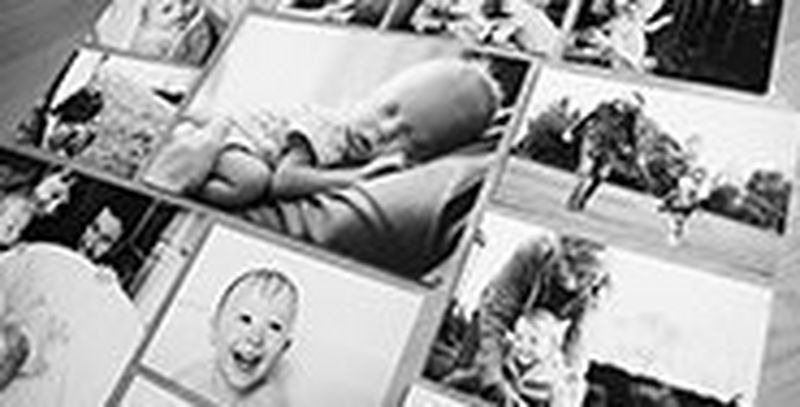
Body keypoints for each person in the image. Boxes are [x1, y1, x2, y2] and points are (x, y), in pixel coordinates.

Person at [163, 58, 501, 209]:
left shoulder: (358, 149)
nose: (382, 133)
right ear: (374, 92)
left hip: (242, 138)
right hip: (244, 138)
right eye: (388, 110)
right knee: (253, 180)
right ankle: (190, 185)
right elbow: (285, 180)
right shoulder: (332, 129)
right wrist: (355, 179)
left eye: (407, 138)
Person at [445, 234, 609, 405]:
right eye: (571, 270)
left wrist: (567, 396)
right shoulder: (531, 252)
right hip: (493, 319)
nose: (574, 284)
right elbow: (494, 317)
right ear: (560, 255)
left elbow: (578, 346)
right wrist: (493, 379)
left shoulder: (596, 287)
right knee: (471, 379)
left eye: (583, 276)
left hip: (538, 338)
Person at [177, 268, 299, 406]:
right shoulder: (188, 381)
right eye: (245, 319)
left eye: (274, 327)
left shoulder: (271, 403)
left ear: (284, 348)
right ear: (214, 328)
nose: (256, 338)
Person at [564, 95, 644, 211]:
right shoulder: (604, 108)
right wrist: (572, 131)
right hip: (593, 141)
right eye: (633, 108)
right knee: (586, 171)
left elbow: (630, 135)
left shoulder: (629, 118)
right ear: (626, 103)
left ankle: (584, 199)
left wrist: (631, 149)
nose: (633, 111)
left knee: (601, 175)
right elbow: (588, 118)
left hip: (611, 147)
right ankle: (574, 197)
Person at [501, 308, 587, 407]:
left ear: (552, 346)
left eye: (534, 341)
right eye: (519, 337)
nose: (524, 346)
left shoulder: (557, 378)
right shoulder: (509, 357)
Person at [131, 0, 226, 66]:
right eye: (167, 10)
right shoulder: (149, 41)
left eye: (184, 2)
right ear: (146, 19)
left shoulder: (196, 18)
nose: (179, 13)